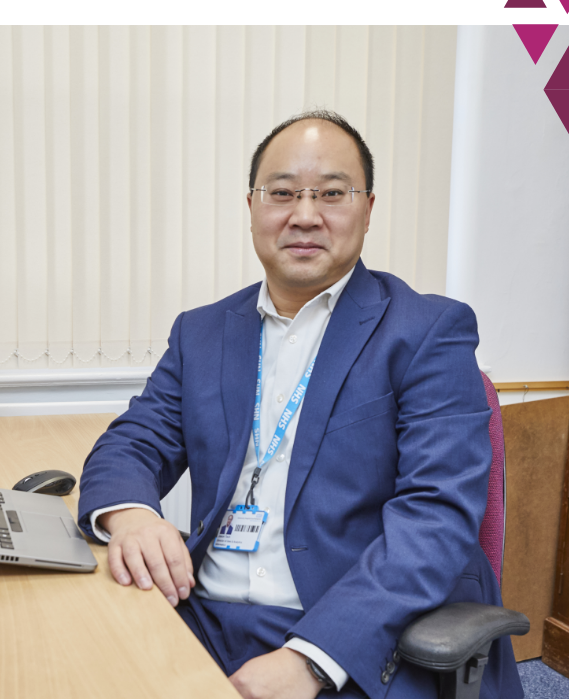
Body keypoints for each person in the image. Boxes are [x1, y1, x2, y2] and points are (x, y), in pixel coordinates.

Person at [78, 110, 522, 700]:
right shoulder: (203, 332)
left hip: (359, 631)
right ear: (252, 205)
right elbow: (132, 441)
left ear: (368, 208)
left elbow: (436, 518)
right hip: (204, 613)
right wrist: (130, 513)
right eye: (282, 193)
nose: (304, 215)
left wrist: (312, 658)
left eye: (332, 194)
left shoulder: (427, 331)